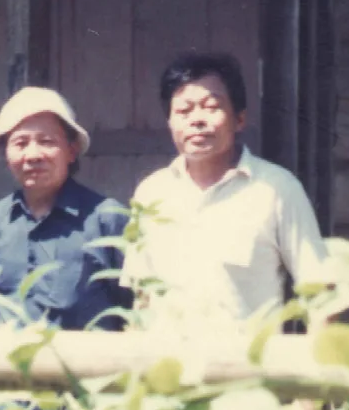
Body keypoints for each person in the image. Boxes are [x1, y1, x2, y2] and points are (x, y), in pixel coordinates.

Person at [127, 51, 328, 333]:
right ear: (170, 123)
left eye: (211, 107)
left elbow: (322, 292)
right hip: (167, 372)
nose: (197, 120)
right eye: (184, 111)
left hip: (247, 372)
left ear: (240, 119)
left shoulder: (276, 188)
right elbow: (142, 298)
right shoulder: (151, 192)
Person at [0, 87, 132, 331]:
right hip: (8, 366)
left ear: (71, 151)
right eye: (20, 143)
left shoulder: (106, 218)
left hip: (84, 366)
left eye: (47, 142)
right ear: (6, 154)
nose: (33, 155)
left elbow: (132, 307)